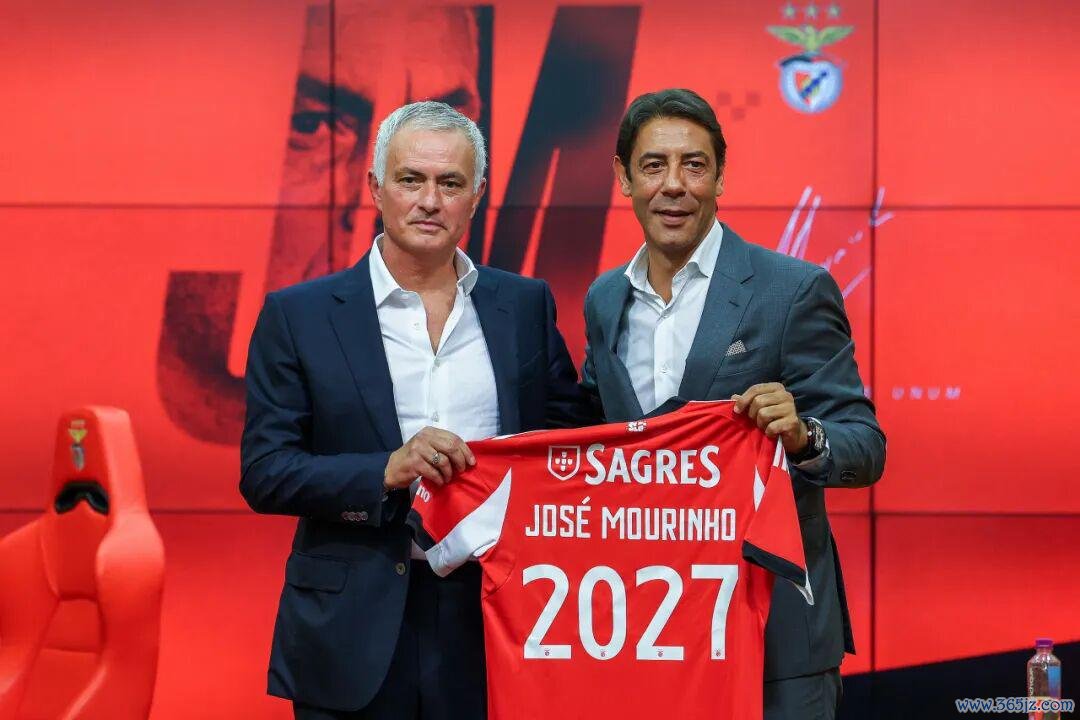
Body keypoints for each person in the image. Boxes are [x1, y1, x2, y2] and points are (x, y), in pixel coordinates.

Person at [241, 100, 588, 719]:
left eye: (450, 183)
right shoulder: (299, 315)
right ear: (375, 188)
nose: (430, 201)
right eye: (411, 179)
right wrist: (385, 470)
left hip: (496, 616)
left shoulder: (524, 306)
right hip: (352, 627)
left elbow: (574, 441)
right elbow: (266, 472)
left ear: (476, 196)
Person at [580, 88, 886, 720]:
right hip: (647, 630)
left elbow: (864, 446)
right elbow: (592, 437)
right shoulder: (605, 299)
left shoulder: (793, 290)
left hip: (776, 636)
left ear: (720, 177)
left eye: (694, 165)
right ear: (624, 177)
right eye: (653, 165)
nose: (674, 185)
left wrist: (802, 434)